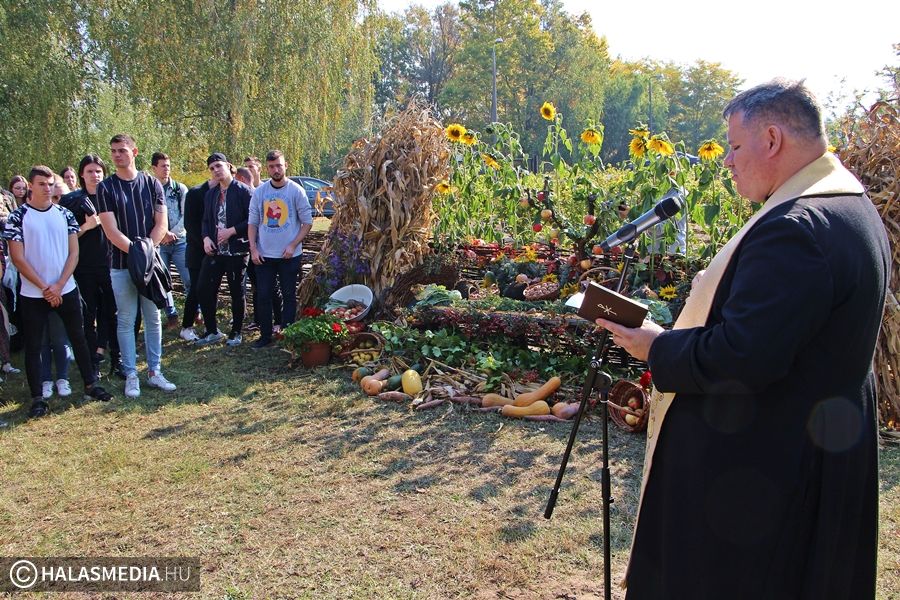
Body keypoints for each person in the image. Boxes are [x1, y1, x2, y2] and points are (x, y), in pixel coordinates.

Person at [598, 79, 890, 599]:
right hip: (814, 449)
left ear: (772, 139)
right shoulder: (851, 205)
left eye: (734, 146)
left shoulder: (798, 228)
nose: (727, 162)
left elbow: (742, 358)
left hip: (765, 474)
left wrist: (655, 346)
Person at [2, 165, 112, 418]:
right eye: (42, 184)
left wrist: (60, 284)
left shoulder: (64, 213)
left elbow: (74, 252)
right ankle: (37, 398)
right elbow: (18, 258)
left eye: (50, 183)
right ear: (31, 186)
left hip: (66, 289)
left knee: (79, 337)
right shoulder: (18, 217)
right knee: (34, 345)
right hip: (33, 293)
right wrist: (44, 287)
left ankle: (90, 384)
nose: (47, 188)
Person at [97, 133, 177, 398]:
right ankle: (131, 374)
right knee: (127, 319)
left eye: (122, 150)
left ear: (134, 151)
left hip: (150, 265)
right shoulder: (106, 188)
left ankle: (155, 371)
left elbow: (161, 223)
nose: (117, 155)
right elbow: (110, 230)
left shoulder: (152, 184)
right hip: (121, 265)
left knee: (153, 318)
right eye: (113, 151)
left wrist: (147, 252)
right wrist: (135, 253)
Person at [60, 155, 125, 379]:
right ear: (81, 174)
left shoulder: (113, 195)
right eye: (90, 171)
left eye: (98, 171)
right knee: (88, 316)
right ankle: (93, 362)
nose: (95, 175)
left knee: (113, 313)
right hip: (84, 266)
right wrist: (86, 226)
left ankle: (117, 360)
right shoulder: (70, 201)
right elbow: (64, 238)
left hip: (111, 263)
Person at [248, 150, 312, 349]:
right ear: (267, 168)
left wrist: (293, 244)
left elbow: (307, 222)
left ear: (286, 166)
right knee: (264, 295)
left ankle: (287, 335)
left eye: (279, 165)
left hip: (289, 255)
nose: (276, 170)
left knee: (288, 294)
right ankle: (265, 335)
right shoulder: (260, 192)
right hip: (264, 254)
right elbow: (252, 222)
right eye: (272, 166)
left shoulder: (295, 191)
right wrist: (253, 249)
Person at [196, 153, 251, 347]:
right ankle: (212, 331)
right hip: (215, 251)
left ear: (228, 166)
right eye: (212, 168)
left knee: (237, 292)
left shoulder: (243, 191)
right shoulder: (211, 194)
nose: (216, 171)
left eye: (218, 166)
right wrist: (205, 239)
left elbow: (253, 220)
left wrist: (231, 231)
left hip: (237, 250)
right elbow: (205, 221)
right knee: (203, 289)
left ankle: (236, 332)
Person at [149, 151, 190, 329]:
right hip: (160, 243)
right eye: (163, 166)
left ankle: (192, 311)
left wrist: (173, 232)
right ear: (154, 168)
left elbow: (185, 214)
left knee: (188, 278)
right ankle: (171, 314)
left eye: (168, 166)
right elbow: (148, 215)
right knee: (163, 281)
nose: (166, 169)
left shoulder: (179, 188)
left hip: (179, 240)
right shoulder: (148, 189)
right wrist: (162, 234)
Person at [179, 175, 213, 343]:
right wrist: (204, 243)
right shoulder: (195, 193)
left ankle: (210, 326)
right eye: (213, 168)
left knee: (210, 289)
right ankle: (186, 327)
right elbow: (189, 224)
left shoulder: (221, 192)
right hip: (197, 251)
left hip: (214, 251)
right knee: (196, 289)